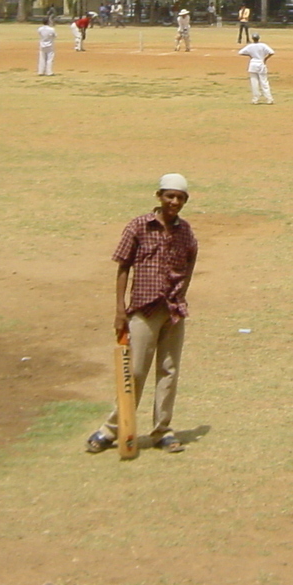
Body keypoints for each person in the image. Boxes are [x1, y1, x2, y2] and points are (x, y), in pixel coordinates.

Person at [86, 173, 198, 455]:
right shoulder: (139, 226)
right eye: (170, 196)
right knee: (134, 371)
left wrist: (180, 293)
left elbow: (190, 261)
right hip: (143, 310)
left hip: (173, 310)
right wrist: (119, 309)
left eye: (180, 198)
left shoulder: (185, 232)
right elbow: (123, 267)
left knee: (169, 371)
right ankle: (111, 429)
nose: (174, 202)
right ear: (159, 196)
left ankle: (163, 430)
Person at [238, 33, 274, 103]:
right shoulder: (263, 45)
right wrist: (265, 59)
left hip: (253, 63)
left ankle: (255, 99)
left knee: (254, 82)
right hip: (261, 63)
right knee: (264, 82)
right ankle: (269, 98)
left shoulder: (250, 46)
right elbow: (271, 52)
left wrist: (249, 55)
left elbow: (240, 52)